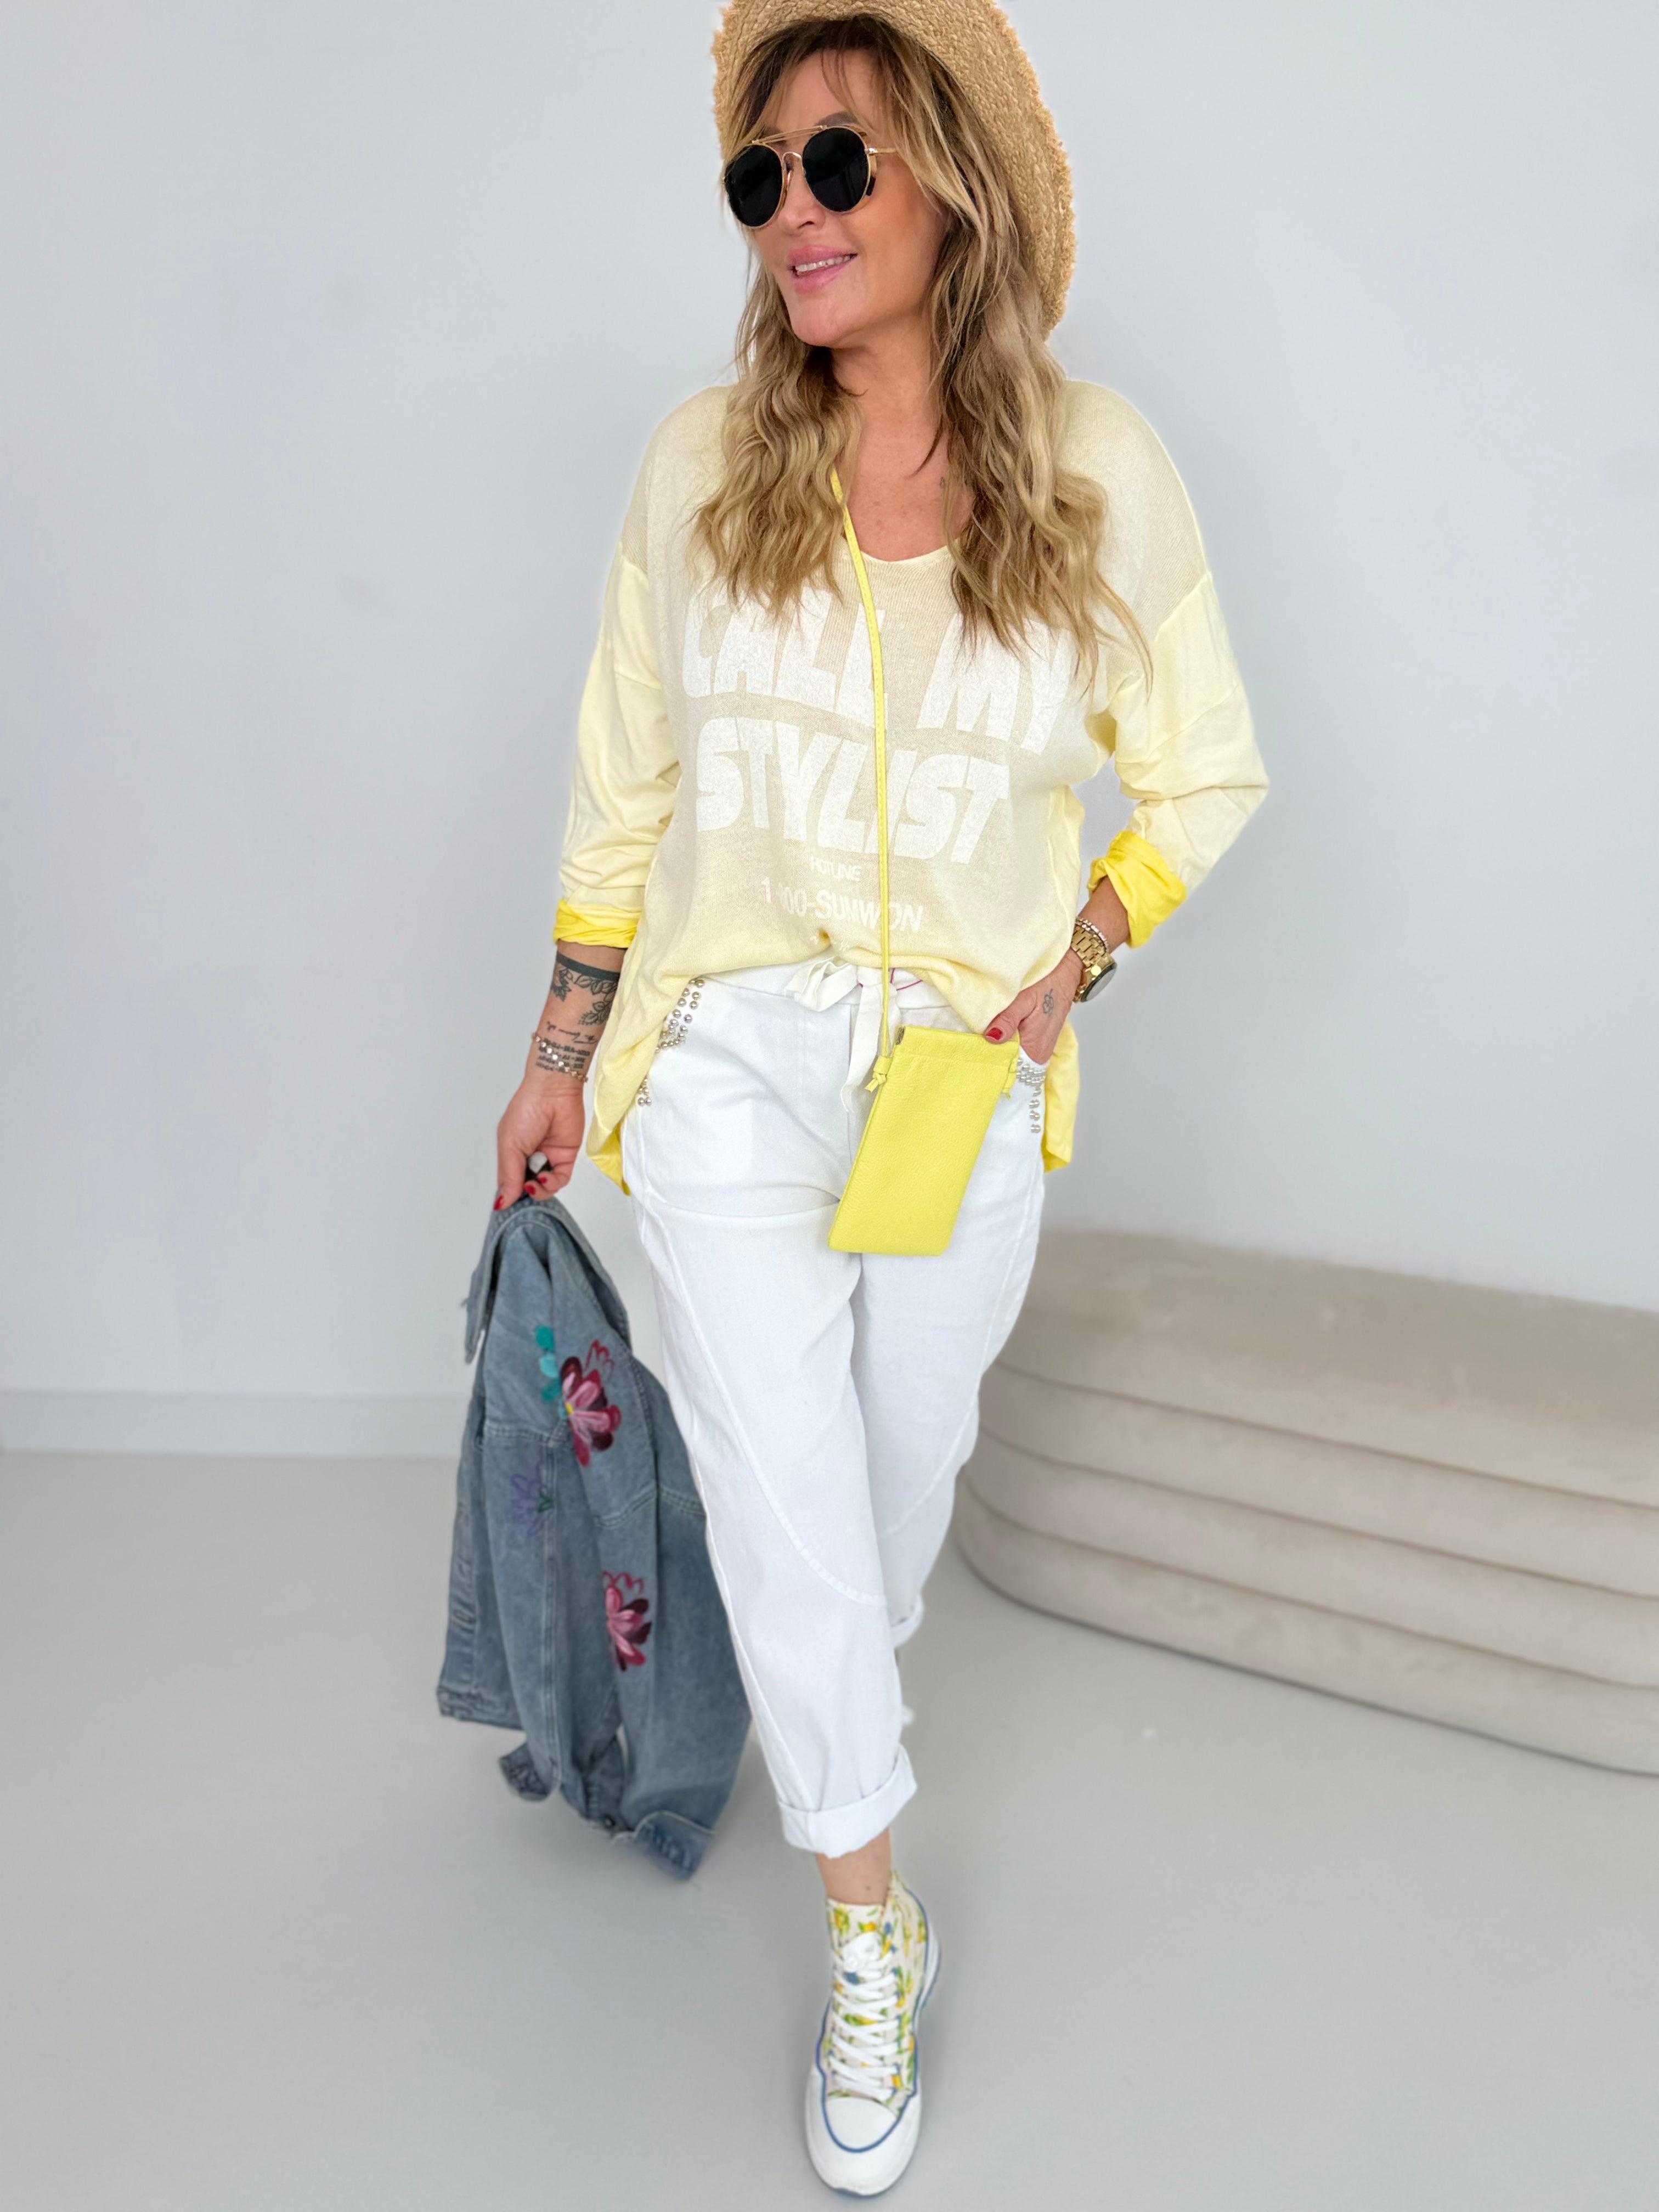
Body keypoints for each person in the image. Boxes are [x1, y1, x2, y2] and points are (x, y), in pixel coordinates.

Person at [493, 2, 1267, 2193]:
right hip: (729, 1054)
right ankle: (871, 1930)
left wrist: (1072, 960)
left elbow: (1206, 774)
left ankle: (813, 1721)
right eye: (763, 176)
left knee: (875, 1504)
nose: (793, 213)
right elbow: (624, 785)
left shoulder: (1098, 472)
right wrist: (560, 1050)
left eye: (838, 162)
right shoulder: (695, 469)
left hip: (955, 1078)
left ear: (950, 179)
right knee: (782, 1481)